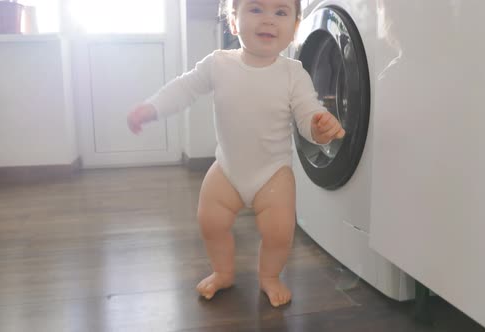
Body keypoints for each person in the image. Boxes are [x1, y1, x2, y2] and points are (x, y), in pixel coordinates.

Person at [127, 0, 345, 307]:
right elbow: (184, 88)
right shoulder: (219, 64)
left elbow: (308, 114)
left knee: (279, 232)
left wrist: (318, 127)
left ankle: (269, 276)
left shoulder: (294, 74)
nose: (269, 20)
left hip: (273, 173)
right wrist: (153, 107)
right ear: (233, 21)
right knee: (210, 221)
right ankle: (223, 272)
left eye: (281, 12)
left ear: (295, 27)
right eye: (256, 9)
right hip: (227, 168)